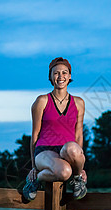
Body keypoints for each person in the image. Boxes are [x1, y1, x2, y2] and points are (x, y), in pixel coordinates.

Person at [22, 57, 87, 201]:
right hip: (45, 151)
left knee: (73, 149)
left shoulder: (79, 103)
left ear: (69, 76)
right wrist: (34, 167)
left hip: (67, 151)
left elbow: (78, 135)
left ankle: (78, 179)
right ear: (51, 77)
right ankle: (36, 179)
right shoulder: (42, 101)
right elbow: (35, 134)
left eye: (64, 73)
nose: (60, 76)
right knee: (64, 172)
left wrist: (80, 167)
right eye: (56, 73)